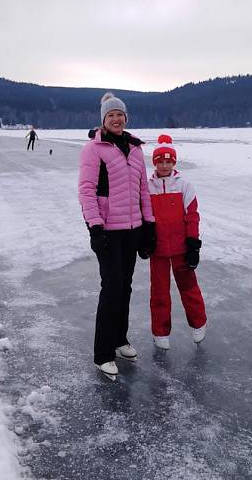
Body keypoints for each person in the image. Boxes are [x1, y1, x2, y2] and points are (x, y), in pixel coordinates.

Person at [78, 93, 156, 380]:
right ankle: (103, 353)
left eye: (120, 115)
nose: (116, 119)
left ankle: (120, 340)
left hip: (132, 230)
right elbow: (86, 190)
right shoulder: (94, 149)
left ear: (126, 118)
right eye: (111, 115)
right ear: (103, 119)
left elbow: (142, 191)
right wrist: (95, 227)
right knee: (111, 289)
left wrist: (149, 225)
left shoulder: (135, 149)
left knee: (125, 288)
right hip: (108, 231)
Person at [146, 135, 207, 350]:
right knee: (159, 292)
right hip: (158, 249)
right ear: (155, 163)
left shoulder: (184, 185)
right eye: (160, 161)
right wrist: (146, 238)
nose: (164, 165)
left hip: (181, 249)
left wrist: (193, 244)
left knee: (189, 288)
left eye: (168, 161)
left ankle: (199, 323)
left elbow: (192, 216)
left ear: (174, 162)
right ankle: (160, 332)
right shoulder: (147, 186)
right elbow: (145, 215)